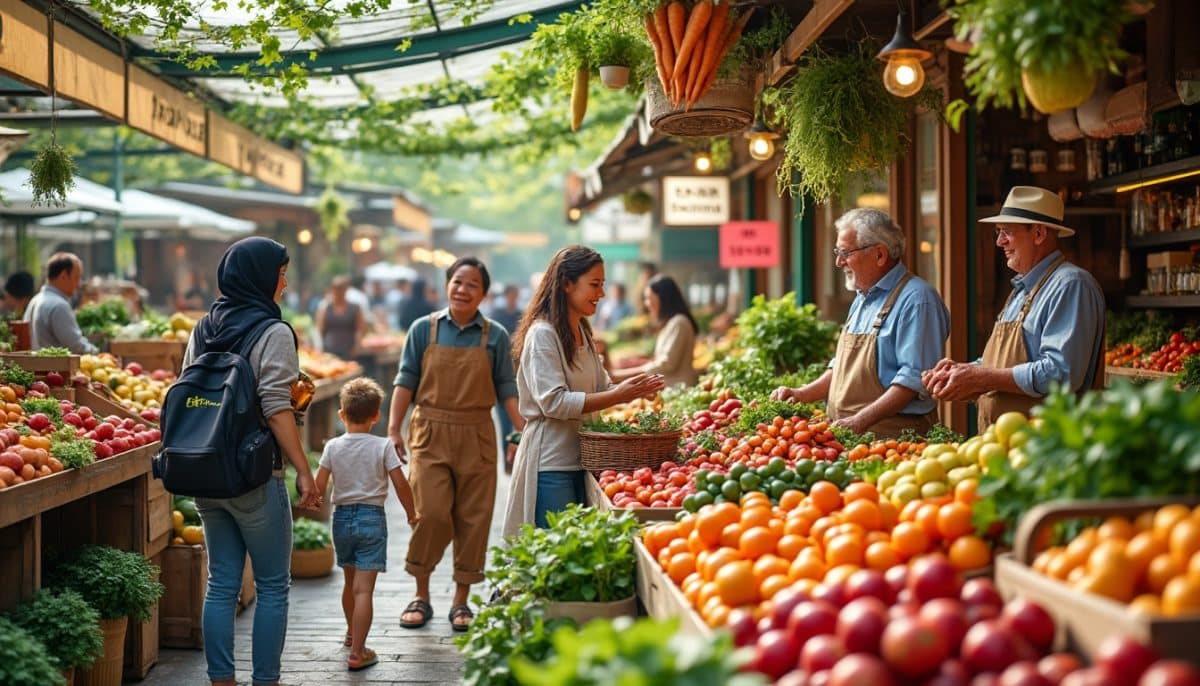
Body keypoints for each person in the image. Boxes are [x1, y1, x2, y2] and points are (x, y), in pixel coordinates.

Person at [182, 237, 322, 686]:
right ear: (261, 276)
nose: (285, 281)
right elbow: (277, 408)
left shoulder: (202, 327)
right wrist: (304, 469)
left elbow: (188, 391)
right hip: (256, 475)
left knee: (221, 584)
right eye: (281, 272)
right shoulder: (274, 331)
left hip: (206, 471)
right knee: (273, 587)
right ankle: (266, 680)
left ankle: (221, 679)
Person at [388, 257, 525, 633]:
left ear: (483, 294)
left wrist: (522, 430)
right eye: (458, 282)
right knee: (430, 513)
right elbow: (406, 380)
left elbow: (506, 389)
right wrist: (393, 429)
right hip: (430, 431)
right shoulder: (423, 330)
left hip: (478, 434)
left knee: (474, 518)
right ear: (447, 285)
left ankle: (460, 600)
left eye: (472, 285)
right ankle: (421, 593)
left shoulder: (495, 335)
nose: (463, 290)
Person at [501, 246, 665, 538]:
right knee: (557, 553)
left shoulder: (583, 332)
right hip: (551, 465)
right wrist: (620, 395)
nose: (600, 293)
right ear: (566, 284)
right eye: (594, 284)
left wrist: (638, 390)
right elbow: (554, 403)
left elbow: (602, 386)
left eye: (602, 285)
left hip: (584, 461)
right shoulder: (543, 334)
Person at [924, 186, 1105, 430]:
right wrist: (965, 372)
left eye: (1007, 232)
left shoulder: (1071, 285)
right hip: (1007, 447)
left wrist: (982, 378)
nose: (999, 242)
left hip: (1050, 449)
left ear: (1039, 233)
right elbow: (1007, 364)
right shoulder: (1022, 289)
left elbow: (1059, 374)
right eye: (999, 232)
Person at [771, 209, 950, 437]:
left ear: (879, 255)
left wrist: (859, 421)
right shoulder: (862, 299)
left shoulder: (918, 300)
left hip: (894, 444)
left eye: (845, 253)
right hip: (850, 438)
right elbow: (841, 368)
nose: (838, 262)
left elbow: (913, 381)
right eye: (837, 252)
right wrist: (801, 394)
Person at [314, 377, 418, 672]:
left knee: (349, 584)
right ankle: (359, 652)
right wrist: (412, 514)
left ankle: (351, 634)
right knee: (364, 591)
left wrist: (310, 501)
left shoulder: (333, 447)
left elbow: (320, 486)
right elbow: (401, 484)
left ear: (342, 415)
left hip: (342, 520)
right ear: (376, 416)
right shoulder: (383, 447)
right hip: (372, 519)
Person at [609, 275, 698, 389]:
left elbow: (667, 363)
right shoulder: (671, 323)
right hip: (669, 390)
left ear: (662, 298)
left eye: (649, 297)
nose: (647, 303)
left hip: (678, 390)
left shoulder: (679, 322)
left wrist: (623, 374)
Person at [22, 253, 98, 354]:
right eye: (76, 277)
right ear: (63, 276)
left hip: (35, 367)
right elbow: (76, 346)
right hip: (54, 369)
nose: (79, 284)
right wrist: (98, 353)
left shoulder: (35, 300)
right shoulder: (59, 306)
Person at [489, 284, 523, 473]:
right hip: (502, 373)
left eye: (514, 294)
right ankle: (507, 462)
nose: (512, 297)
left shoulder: (521, 314)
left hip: (519, 372)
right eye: (510, 294)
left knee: (519, 418)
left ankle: (517, 458)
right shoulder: (497, 314)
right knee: (504, 419)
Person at [316, 276, 367, 360]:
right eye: (336, 288)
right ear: (332, 289)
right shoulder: (325, 308)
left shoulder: (355, 308)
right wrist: (321, 346)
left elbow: (360, 328)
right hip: (330, 350)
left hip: (349, 350)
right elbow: (320, 328)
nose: (338, 291)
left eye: (341, 288)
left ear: (345, 289)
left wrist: (357, 346)